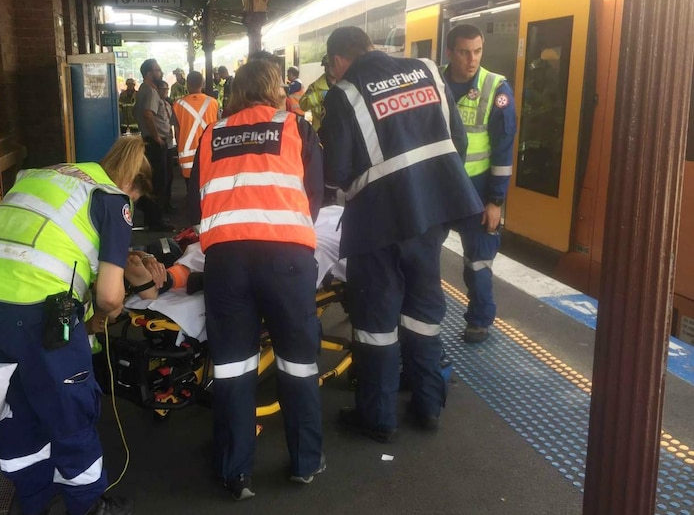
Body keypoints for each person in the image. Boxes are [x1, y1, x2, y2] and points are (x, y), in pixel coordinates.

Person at [0, 135, 151, 515]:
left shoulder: (44, 175)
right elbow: (110, 297)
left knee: (15, 405)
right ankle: (88, 505)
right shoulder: (113, 199)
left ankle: (34, 500)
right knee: (70, 409)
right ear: (133, 186)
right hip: (35, 309)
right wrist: (101, 319)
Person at [318, 26, 483, 438]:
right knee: (423, 312)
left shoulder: (345, 93)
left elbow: (335, 171)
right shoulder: (426, 69)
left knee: (376, 321)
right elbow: (456, 140)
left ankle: (378, 418)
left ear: (339, 59)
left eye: (330, 66)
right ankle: (428, 405)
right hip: (430, 217)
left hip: (377, 224)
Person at [187, 60, 326, 500]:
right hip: (287, 259)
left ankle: (235, 472)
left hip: (227, 261)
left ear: (235, 93)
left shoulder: (212, 135)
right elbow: (315, 197)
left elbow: (196, 207)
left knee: (232, 367)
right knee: (297, 362)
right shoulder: (296, 128)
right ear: (273, 89)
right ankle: (305, 462)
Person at [442, 24, 517, 344]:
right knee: (421, 256)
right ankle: (422, 314)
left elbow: (502, 148)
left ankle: (479, 320)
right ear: (449, 53)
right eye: (463, 52)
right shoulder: (433, 84)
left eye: (477, 51)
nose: (471, 60)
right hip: (440, 188)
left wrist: (496, 201)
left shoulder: (496, 88)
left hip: (477, 189)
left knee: (479, 260)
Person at [133, 59, 174, 231]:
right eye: (158, 70)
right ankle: (156, 221)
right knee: (158, 180)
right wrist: (156, 136)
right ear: (149, 73)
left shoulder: (146, 90)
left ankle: (153, 215)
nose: (161, 73)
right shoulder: (150, 91)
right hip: (155, 141)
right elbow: (148, 114)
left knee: (155, 179)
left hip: (152, 139)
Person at [172, 71, 218, 186]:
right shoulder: (213, 103)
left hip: (187, 159)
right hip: (209, 153)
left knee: (191, 190)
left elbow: (177, 132)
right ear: (202, 84)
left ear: (187, 85)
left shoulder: (178, 105)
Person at [299, 55, 335, 131]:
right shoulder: (315, 86)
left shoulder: (346, 85)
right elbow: (303, 105)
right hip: (320, 132)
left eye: (335, 65)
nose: (334, 68)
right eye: (330, 66)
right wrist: (319, 96)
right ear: (325, 67)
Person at [158, 80, 177, 213]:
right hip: (161, 141)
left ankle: (168, 203)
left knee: (170, 175)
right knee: (162, 175)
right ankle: (162, 205)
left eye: (167, 88)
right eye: (163, 89)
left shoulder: (167, 104)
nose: (166, 91)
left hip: (170, 141)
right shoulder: (157, 104)